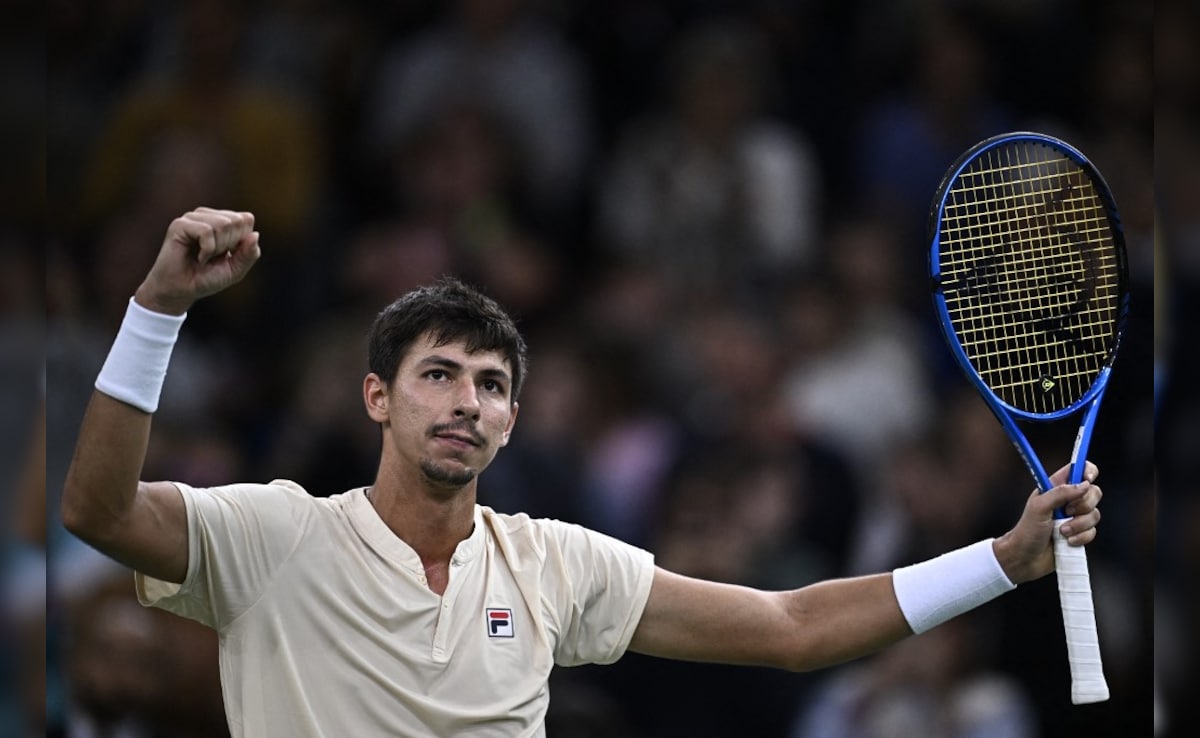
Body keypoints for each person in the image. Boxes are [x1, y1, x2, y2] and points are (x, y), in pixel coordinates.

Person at [62, 208, 1105, 737]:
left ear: (514, 421)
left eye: (489, 384)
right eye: (436, 375)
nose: (465, 401)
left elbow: (793, 630)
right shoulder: (274, 535)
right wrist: (157, 311)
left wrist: (1006, 562)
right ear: (377, 398)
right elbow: (98, 510)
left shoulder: (554, 565)